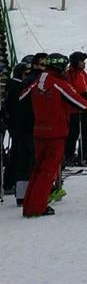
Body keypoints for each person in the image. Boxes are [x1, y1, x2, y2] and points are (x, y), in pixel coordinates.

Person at [19, 52, 87, 217]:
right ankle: (37, 207)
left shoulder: (38, 81)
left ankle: (29, 205)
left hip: (39, 131)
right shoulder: (58, 83)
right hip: (55, 133)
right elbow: (81, 104)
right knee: (47, 172)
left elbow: (22, 96)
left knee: (37, 169)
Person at [4, 57, 35, 205]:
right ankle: (12, 183)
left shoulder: (16, 86)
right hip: (19, 126)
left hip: (18, 125)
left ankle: (11, 183)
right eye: (26, 73)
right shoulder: (17, 87)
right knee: (20, 156)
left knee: (18, 155)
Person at [64, 52, 87, 164]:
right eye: (81, 61)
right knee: (73, 133)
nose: (83, 64)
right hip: (74, 109)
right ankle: (69, 155)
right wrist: (81, 95)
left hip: (85, 107)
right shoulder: (69, 75)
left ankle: (83, 153)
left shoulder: (83, 73)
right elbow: (69, 90)